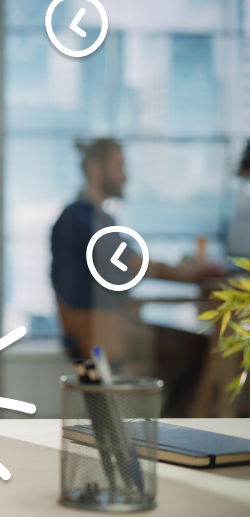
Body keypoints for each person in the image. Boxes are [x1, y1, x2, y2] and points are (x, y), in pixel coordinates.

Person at [50, 138, 221, 414]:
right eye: (119, 166)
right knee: (200, 348)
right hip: (101, 333)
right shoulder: (80, 218)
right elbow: (132, 263)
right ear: (96, 169)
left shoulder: (98, 218)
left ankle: (172, 430)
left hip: (111, 324)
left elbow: (120, 272)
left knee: (197, 348)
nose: (125, 176)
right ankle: (175, 432)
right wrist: (189, 274)